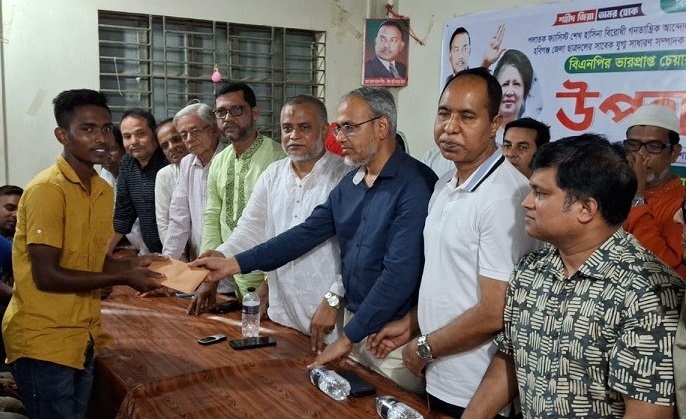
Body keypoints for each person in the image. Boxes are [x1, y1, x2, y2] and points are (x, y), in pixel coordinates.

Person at [192, 87, 438, 392]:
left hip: (391, 336)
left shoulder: (415, 184)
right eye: (339, 127)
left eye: (349, 127)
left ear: (382, 126)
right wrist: (232, 264)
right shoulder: (352, 183)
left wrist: (347, 336)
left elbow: (399, 274)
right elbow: (303, 235)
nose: (341, 137)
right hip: (357, 326)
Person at [463, 134, 683, 418]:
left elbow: (647, 412)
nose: (526, 203)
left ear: (585, 208)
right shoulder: (531, 269)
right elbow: (510, 358)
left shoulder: (650, 293)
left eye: (541, 194)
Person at [369, 67, 534, 416]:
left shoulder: (506, 195)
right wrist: (413, 323)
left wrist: (424, 347)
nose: (450, 127)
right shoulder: (444, 184)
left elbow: (495, 310)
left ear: (495, 124)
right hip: (438, 372)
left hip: (478, 386)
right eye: (444, 113)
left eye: (467, 117)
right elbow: (449, 280)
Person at [1, 89, 164, 419]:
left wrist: (134, 263)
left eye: (105, 128)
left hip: (83, 335)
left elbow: (88, 260)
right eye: (87, 129)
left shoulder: (101, 189)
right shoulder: (48, 189)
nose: (101, 138)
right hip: (44, 342)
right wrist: (124, 275)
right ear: (62, 135)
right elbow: (47, 275)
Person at [189, 95, 349, 348]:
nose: (293, 135)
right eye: (287, 128)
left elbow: (357, 251)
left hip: (330, 316)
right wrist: (221, 255)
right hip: (281, 312)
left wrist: (335, 297)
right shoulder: (273, 174)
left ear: (324, 130)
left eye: (304, 127)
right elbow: (251, 228)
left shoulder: (345, 175)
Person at [201, 82, 284, 298]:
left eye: (236, 110)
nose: (228, 118)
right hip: (231, 272)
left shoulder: (278, 159)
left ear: (255, 113)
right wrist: (208, 272)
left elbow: (284, 225)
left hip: (270, 275)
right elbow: (212, 215)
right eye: (221, 112)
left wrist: (269, 281)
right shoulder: (219, 161)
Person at [622, 103, 686, 280]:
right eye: (633, 145)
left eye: (654, 146)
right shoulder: (611, 191)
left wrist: (637, 198)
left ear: (674, 152)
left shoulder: (682, 203)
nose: (641, 155)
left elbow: (669, 269)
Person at [163, 103, 225, 261]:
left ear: (214, 129)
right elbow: (178, 218)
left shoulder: (230, 160)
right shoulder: (187, 164)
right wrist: (168, 262)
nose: (189, 139)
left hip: (229, 257)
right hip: (199, 257)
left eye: (195, 131)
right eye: (183, 135)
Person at [107, 108, 168, 254]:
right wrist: (104, 253)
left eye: (141, 134)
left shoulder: (168, 161)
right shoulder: (127, 164)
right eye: (127, 137)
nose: (134, 142)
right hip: (153, 252)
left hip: (184, 251)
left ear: (154, 134)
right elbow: (123, 215)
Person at [154, 118, 189, 244]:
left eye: (176, 139)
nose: (172, 147)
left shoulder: (210, 166)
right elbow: (163, 222)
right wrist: (177, 253)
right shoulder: (164, 175)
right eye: (165, 146)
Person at [493, 49, 534, 129]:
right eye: (505, 84)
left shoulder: (532, 133)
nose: (510, 92)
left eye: (516, 84)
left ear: (525, 92)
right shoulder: (483, 133)